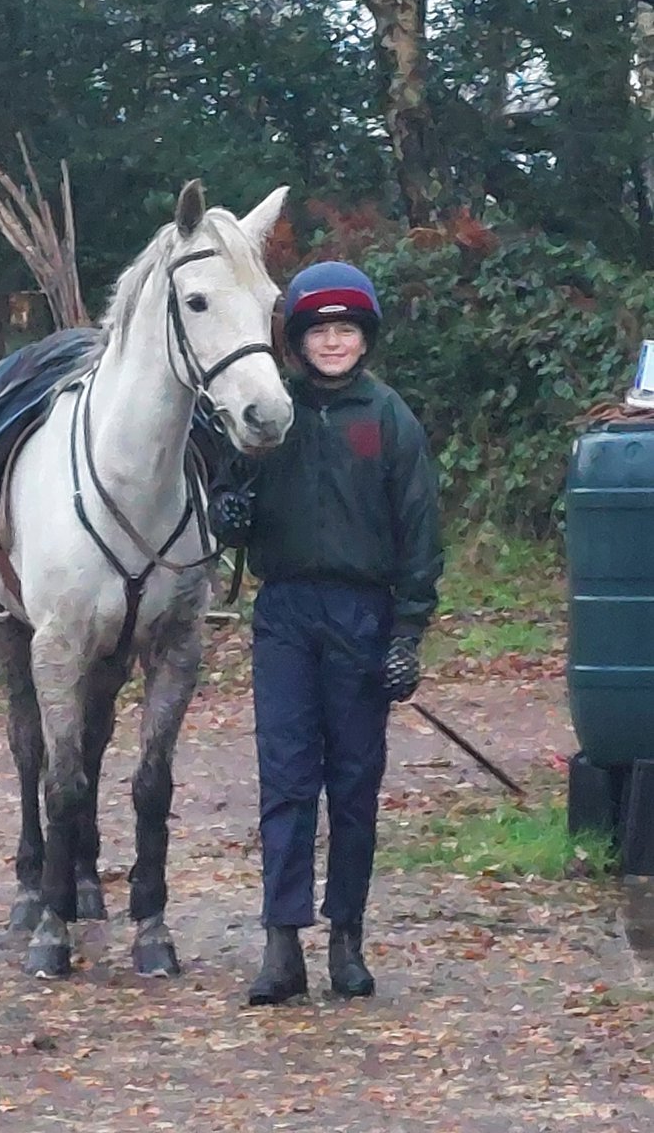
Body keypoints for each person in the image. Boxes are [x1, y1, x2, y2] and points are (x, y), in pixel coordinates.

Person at [209, 260, 443, 1005]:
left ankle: (347, 936)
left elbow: (420, 530)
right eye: (319, 331)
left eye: (345, 330)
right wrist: (228, 514)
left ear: (364, 337)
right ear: (298, 341)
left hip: (361, 615)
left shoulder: (388, 418)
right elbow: (228, 493)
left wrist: (407, 632)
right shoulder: (271, 412)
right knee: (285, 778)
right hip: (285, 614)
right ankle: (282, 944)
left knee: (353, 781)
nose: (333, 342)